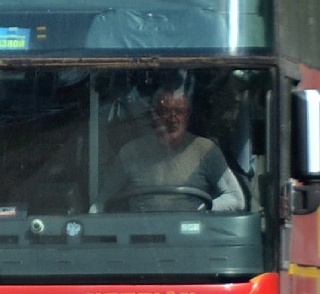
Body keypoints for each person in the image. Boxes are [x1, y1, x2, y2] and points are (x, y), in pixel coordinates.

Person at [102, 83, 245, 213]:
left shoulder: (206, 150)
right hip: (143, 231)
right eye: (165, 111)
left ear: (188, 116)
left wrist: (203, 210)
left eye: (180, 112)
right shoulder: (130, 152)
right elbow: (103, 201)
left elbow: (236, 198)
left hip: (193, 231)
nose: (173, 119)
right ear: (155, 115)